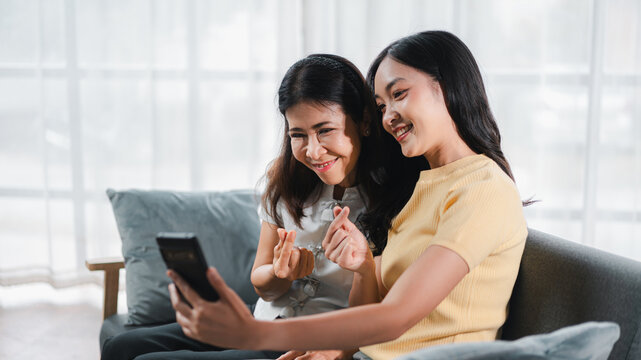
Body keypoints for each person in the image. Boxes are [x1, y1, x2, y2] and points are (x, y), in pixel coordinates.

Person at [165, 30, 529, 360]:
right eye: (382, 106)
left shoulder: (484, 189)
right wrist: (336, 342)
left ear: (448, 86)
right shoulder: (424, 185)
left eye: (399, 94)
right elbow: (376, 302)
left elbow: (395, 316)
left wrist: (254, 333)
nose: (388, 117)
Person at [101, 53, 414, 360]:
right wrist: (280, 274)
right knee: (120, 347)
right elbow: (262, 284)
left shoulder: (394, 198)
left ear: (364, 123)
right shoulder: (287, 181)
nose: (313, 151)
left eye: (325, 130)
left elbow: (379, 315)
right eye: (298, 135)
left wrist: (363, 272)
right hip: (260, 320)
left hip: (308, 337)